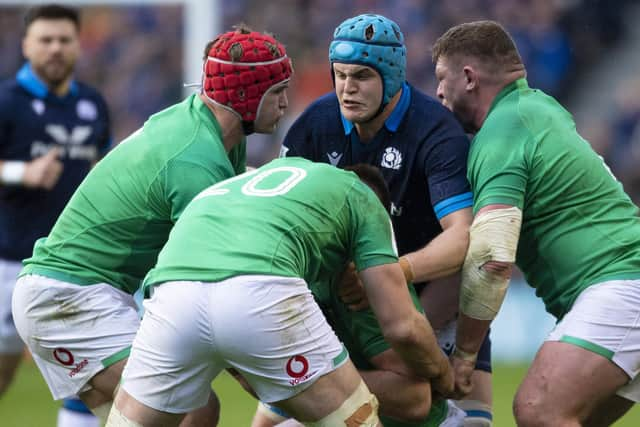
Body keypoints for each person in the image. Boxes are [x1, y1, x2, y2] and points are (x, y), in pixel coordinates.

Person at [11, 24, 293, 425]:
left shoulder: (207, 127)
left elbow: (233, 191)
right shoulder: (194, 160)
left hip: (83, 294)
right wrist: (253, 365)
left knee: (183, 410)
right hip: (70, 299)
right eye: (276, 92)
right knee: (191, 410)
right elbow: (209, 276)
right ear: (247, 95)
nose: (285, 103)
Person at [265, 13, 492, 427]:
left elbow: (464, 237)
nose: (347, 89)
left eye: (362, 77)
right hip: (346, 300)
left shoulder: (434, 132)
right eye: (340, 75)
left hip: (433, 292)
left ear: (390, 76)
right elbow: (276, 220)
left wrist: (391, 275)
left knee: (466, 420)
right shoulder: (316, 125)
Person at [105, 157, 454, 427]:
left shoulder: (253, 203)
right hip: (256, 291)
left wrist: (283, 382)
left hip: (170, 287)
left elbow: (415, 399)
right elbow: (405, 333)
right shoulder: (353, 224)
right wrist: (446, 375)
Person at [431, 20, 640, 426]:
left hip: (622, 284)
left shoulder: (502, 131)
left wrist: (467, 354)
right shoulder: (538, 107)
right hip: (624, 284)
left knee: (539, 409)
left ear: (469, 78)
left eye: (443, 78)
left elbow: (492, 256)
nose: (438, 92)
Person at [0, 5, 111, 426]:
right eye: (45, 40)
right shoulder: (7, 102)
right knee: (4, 372)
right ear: (27, 45)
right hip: (10, 261)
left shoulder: (91, 103)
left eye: (64, 40)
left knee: (90, 377)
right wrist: (20, 172)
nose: (55, 49)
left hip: (75, 265)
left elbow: (104, 166)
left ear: (78, 46)